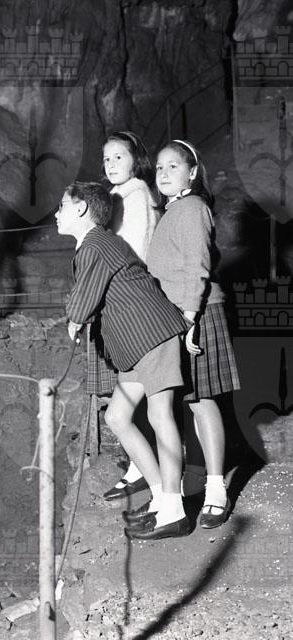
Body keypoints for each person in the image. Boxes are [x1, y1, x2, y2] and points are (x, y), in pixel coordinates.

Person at [57, 181, 191, 539]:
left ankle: (175, 511)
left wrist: (73, 319)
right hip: (135, 342)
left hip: (151, 333)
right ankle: (161, 497)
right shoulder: (98, 243)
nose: (56, 213)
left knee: (159, 415)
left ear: (81, 209)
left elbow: (82, 302)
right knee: (117, 417)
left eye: (62, 205)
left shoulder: (95, 245)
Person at [146, 139, 241, 529]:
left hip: (197, 312)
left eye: (173, 166)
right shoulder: (174, 210)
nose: (164, 173)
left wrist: (189, 320)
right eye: (159, 167)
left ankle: (217, 491)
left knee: (202, 401)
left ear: (193, 172)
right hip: (178, 315)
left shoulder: (192, 208)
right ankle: (195, 482)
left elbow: (197, 267)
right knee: (187, 401)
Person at [97, 131, 161, 501]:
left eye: (118, 157)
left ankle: (154, 479)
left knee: (141, 392)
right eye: (106, 159)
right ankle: (141, 468)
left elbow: (133, 251)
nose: (111, 164)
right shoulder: (120, 195)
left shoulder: (135, 196)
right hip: (125, 300)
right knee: (132, 390)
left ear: (135, 160)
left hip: (134, 301)